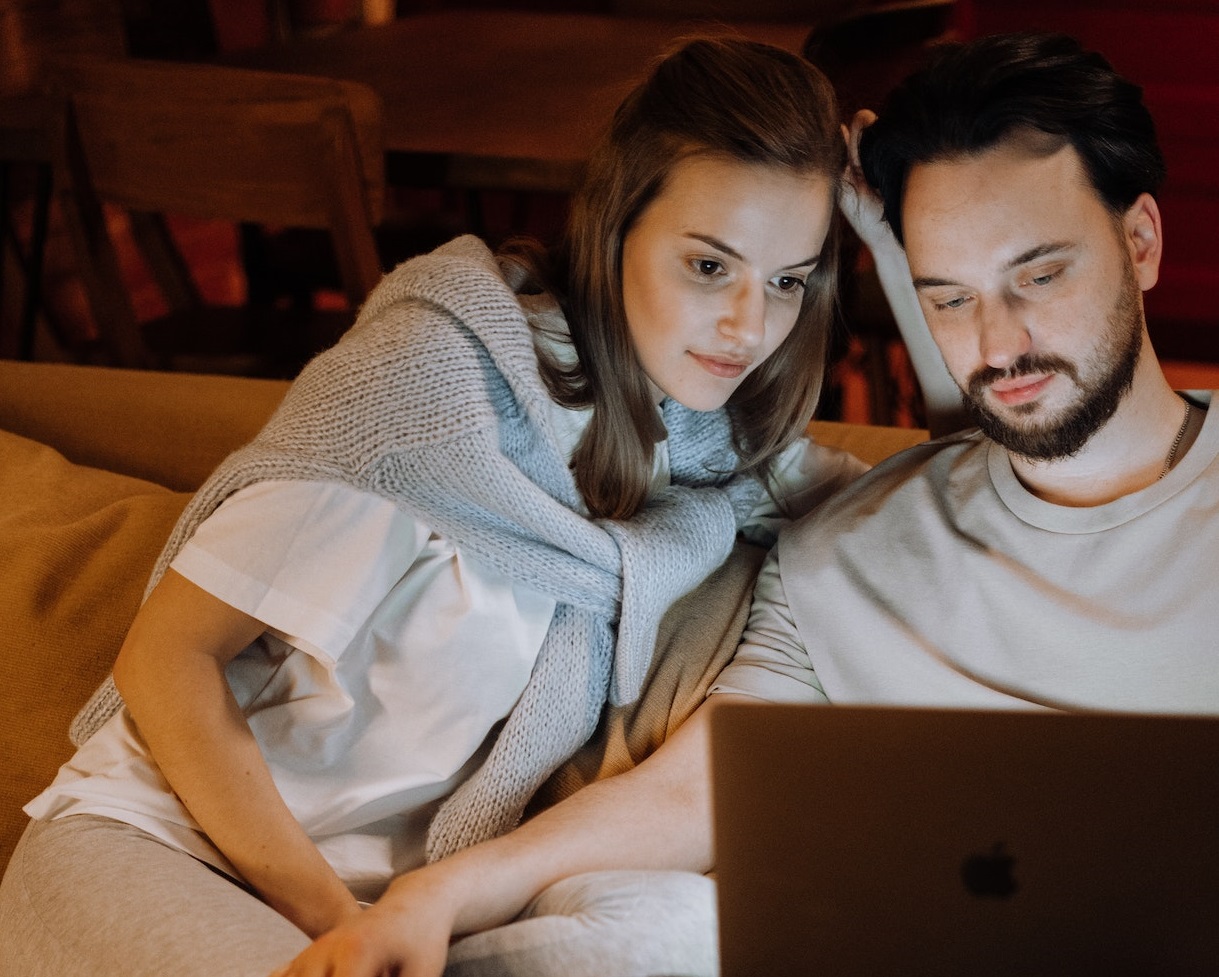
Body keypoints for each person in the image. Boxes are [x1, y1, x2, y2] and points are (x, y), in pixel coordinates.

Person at [255, 30, 1219, 977]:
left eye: (1039, 274)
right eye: (947, 297)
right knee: (661, 933)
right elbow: (693, 793)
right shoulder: (844, 552)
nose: (1000, 344)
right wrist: (434, 897)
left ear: (1138, 241)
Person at [0, 36, 921, 977]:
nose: (748, 326)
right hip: (162, 848)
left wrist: (897, 259)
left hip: (401, 908)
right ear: (615, 230)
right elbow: (166, 659)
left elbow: (951, 501)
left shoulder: (703, 445)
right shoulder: (425, 391)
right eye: (708, 266)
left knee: (697, 937)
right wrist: (336, 920)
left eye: (786, 281)